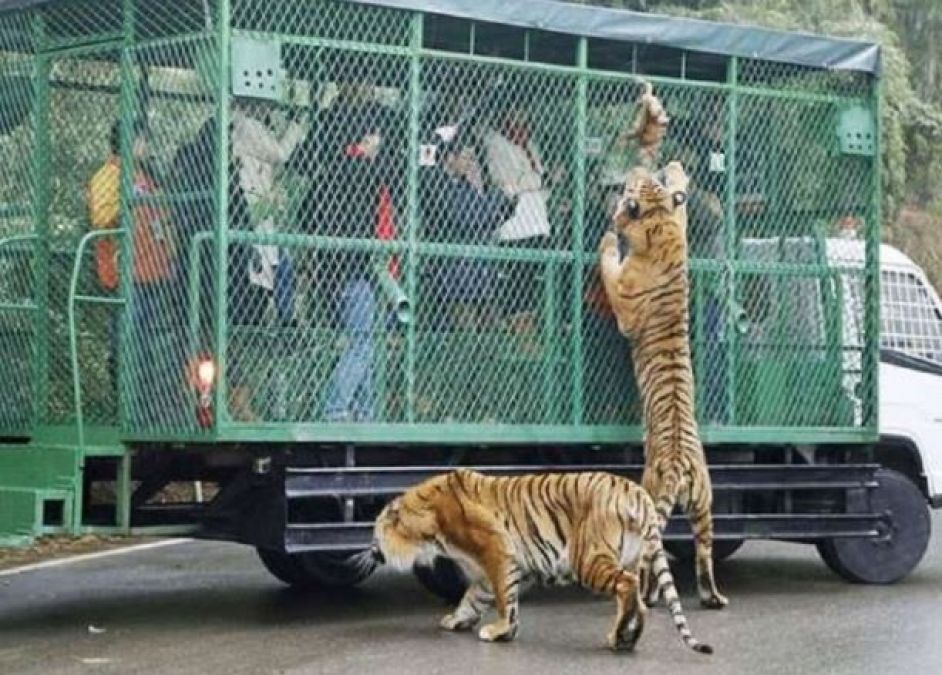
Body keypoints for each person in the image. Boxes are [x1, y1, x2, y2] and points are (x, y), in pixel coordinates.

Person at [169, 116, 260, 422]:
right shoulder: (216, 175)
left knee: (206, 344)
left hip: (197, 274)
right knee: (218, 344)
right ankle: (213, 406)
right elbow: (242, 222)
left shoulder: (189, 167)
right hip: (216, 275)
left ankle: (209, 405)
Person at [87, 119, 177, 425]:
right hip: (126, 274)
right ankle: (125, 408)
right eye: (143, 139)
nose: (148, 146)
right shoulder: (109, 175)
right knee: (126, 341)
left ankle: (145, 409)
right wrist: (126, 202)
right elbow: (100, 217)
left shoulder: (147, 177)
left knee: (149, 345)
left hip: (154, 273)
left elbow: (163, 218)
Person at [317, 103, 399, 423]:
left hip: (346, 271)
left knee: (367, 343)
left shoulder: (333, 170)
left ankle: (365, 412)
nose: (380, 142)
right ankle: (336, 408)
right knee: (364, 344)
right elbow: (388, 173)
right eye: (376, 136)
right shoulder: (358, 169)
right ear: (365, 138)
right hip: (356, 270)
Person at [231, 97, 307, 317]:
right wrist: (295, 123)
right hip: (252, 209)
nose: (267, 111)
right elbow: (280, 153)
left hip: (261, 210)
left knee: (282, 267)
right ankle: (286, 321)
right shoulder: (247, 126)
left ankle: (287, 319)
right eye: (263, 105)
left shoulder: (254, 127)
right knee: (272, 267)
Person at [423, 137, 506, 327]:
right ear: (450, 157)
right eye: (466, 158)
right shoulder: (436, 182)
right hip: (453, 269)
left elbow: (485, 217)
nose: (470, 164)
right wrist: (498, 199)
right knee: (465, 325)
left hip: (477, 265)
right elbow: (464, 216)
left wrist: (505, 204)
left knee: (493, 324)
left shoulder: (465, 185)